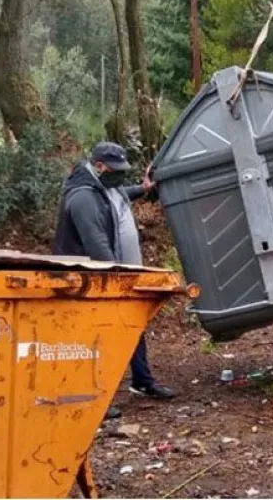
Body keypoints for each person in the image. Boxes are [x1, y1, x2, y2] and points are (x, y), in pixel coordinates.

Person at [52, 142, 177, 418]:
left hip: (117, 274)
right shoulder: (83, 198)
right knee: (95, 338)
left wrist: (143, 189)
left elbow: (120, 194)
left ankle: (142, 381)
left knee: (132, 324)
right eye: (116, 170)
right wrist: (116, 281)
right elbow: (97, 246)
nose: (120, 176)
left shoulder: (105, 186)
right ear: (99, 167)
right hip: (89, 280)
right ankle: (92, 396)